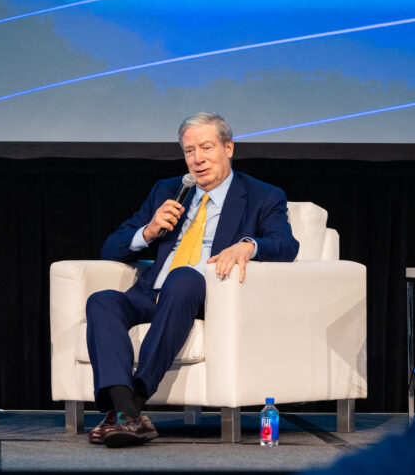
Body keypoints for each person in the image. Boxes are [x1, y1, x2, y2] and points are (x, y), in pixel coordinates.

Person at [85, 112, 298, 448]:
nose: (197, 160)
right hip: (152, 293)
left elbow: (286, 244)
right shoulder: (168, 190)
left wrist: (248, 245)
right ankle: (127, 413)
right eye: (189, 151)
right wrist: (150, 230)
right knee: (101, 301)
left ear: (229, 148)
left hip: (203, 295)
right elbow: (111, 248)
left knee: (183, 277)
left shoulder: (262, 195)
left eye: (206, 147)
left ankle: (131, 406)